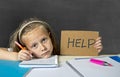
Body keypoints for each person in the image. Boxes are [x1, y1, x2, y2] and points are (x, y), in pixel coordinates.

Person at [0, 17, 103, 61]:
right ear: (26, 49)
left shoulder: (62, 51)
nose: (43, 48)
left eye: (44, 40)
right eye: (34, 46)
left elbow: (81, 58)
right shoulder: (23, 55)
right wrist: (17, 56)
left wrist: (92, 49)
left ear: (49, 36)